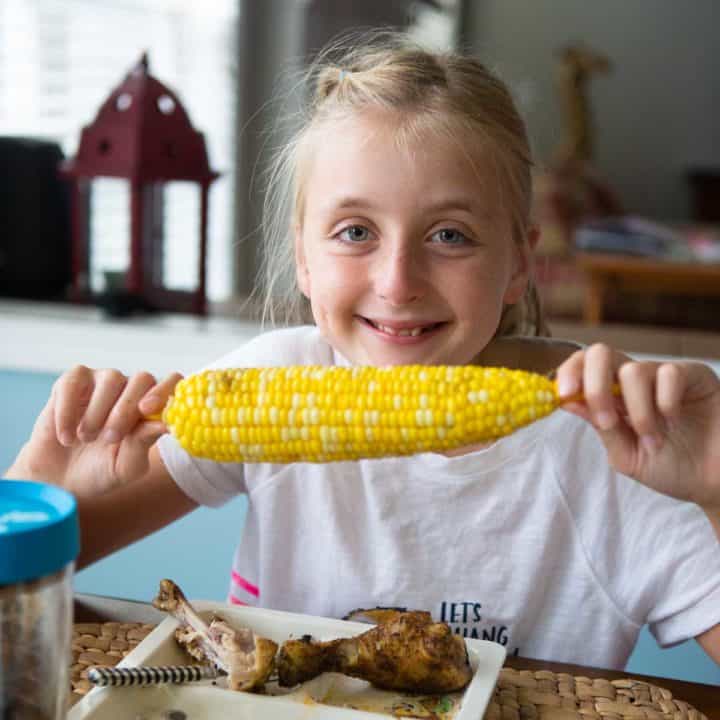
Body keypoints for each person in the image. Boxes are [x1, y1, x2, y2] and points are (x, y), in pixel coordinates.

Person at [5, 32, 720, 671]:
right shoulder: (271, 381)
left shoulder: (616, 444)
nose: (397, 282)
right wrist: (40, 481)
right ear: (303, 260)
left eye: (450, 235)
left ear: (517, 263)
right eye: (354, 232)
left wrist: (718, 493)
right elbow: (13, 613)